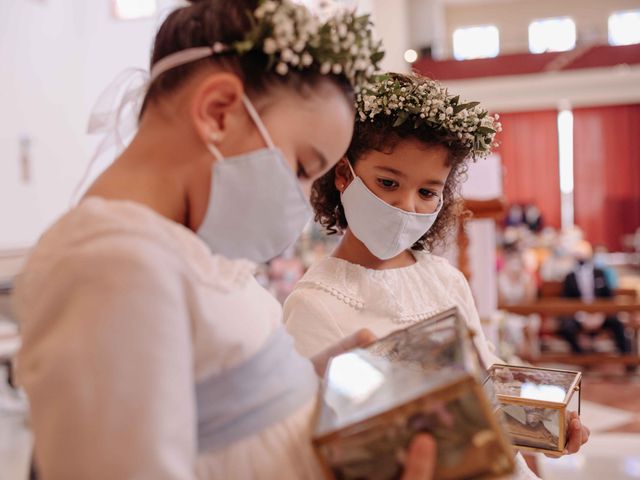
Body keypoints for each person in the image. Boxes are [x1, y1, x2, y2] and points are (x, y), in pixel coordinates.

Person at [12, 2, 437, 479]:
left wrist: (308, 377)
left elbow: (214, 413)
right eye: (301, 167)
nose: (299, 203)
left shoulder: (177, 251)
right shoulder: (110, 263)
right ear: (217, 112)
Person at [283, 72, 590, 478]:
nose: (405, 205)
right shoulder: (315, 304)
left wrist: (542, 424)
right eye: (388, 182)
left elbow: (486, 380)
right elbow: (323, 448)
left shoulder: (443, 278)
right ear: (343, 174)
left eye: (427, 192)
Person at [558, 241, 632, 356]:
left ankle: (627, 359)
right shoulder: (570, 277)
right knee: (566, 328)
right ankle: (582, 356)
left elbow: (609, 296)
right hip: (579, 315)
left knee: (618, 324)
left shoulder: (599, 273)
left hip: (600, 314)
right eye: (578, 254)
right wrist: (582, 317)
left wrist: (600, 315)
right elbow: (566, 300)